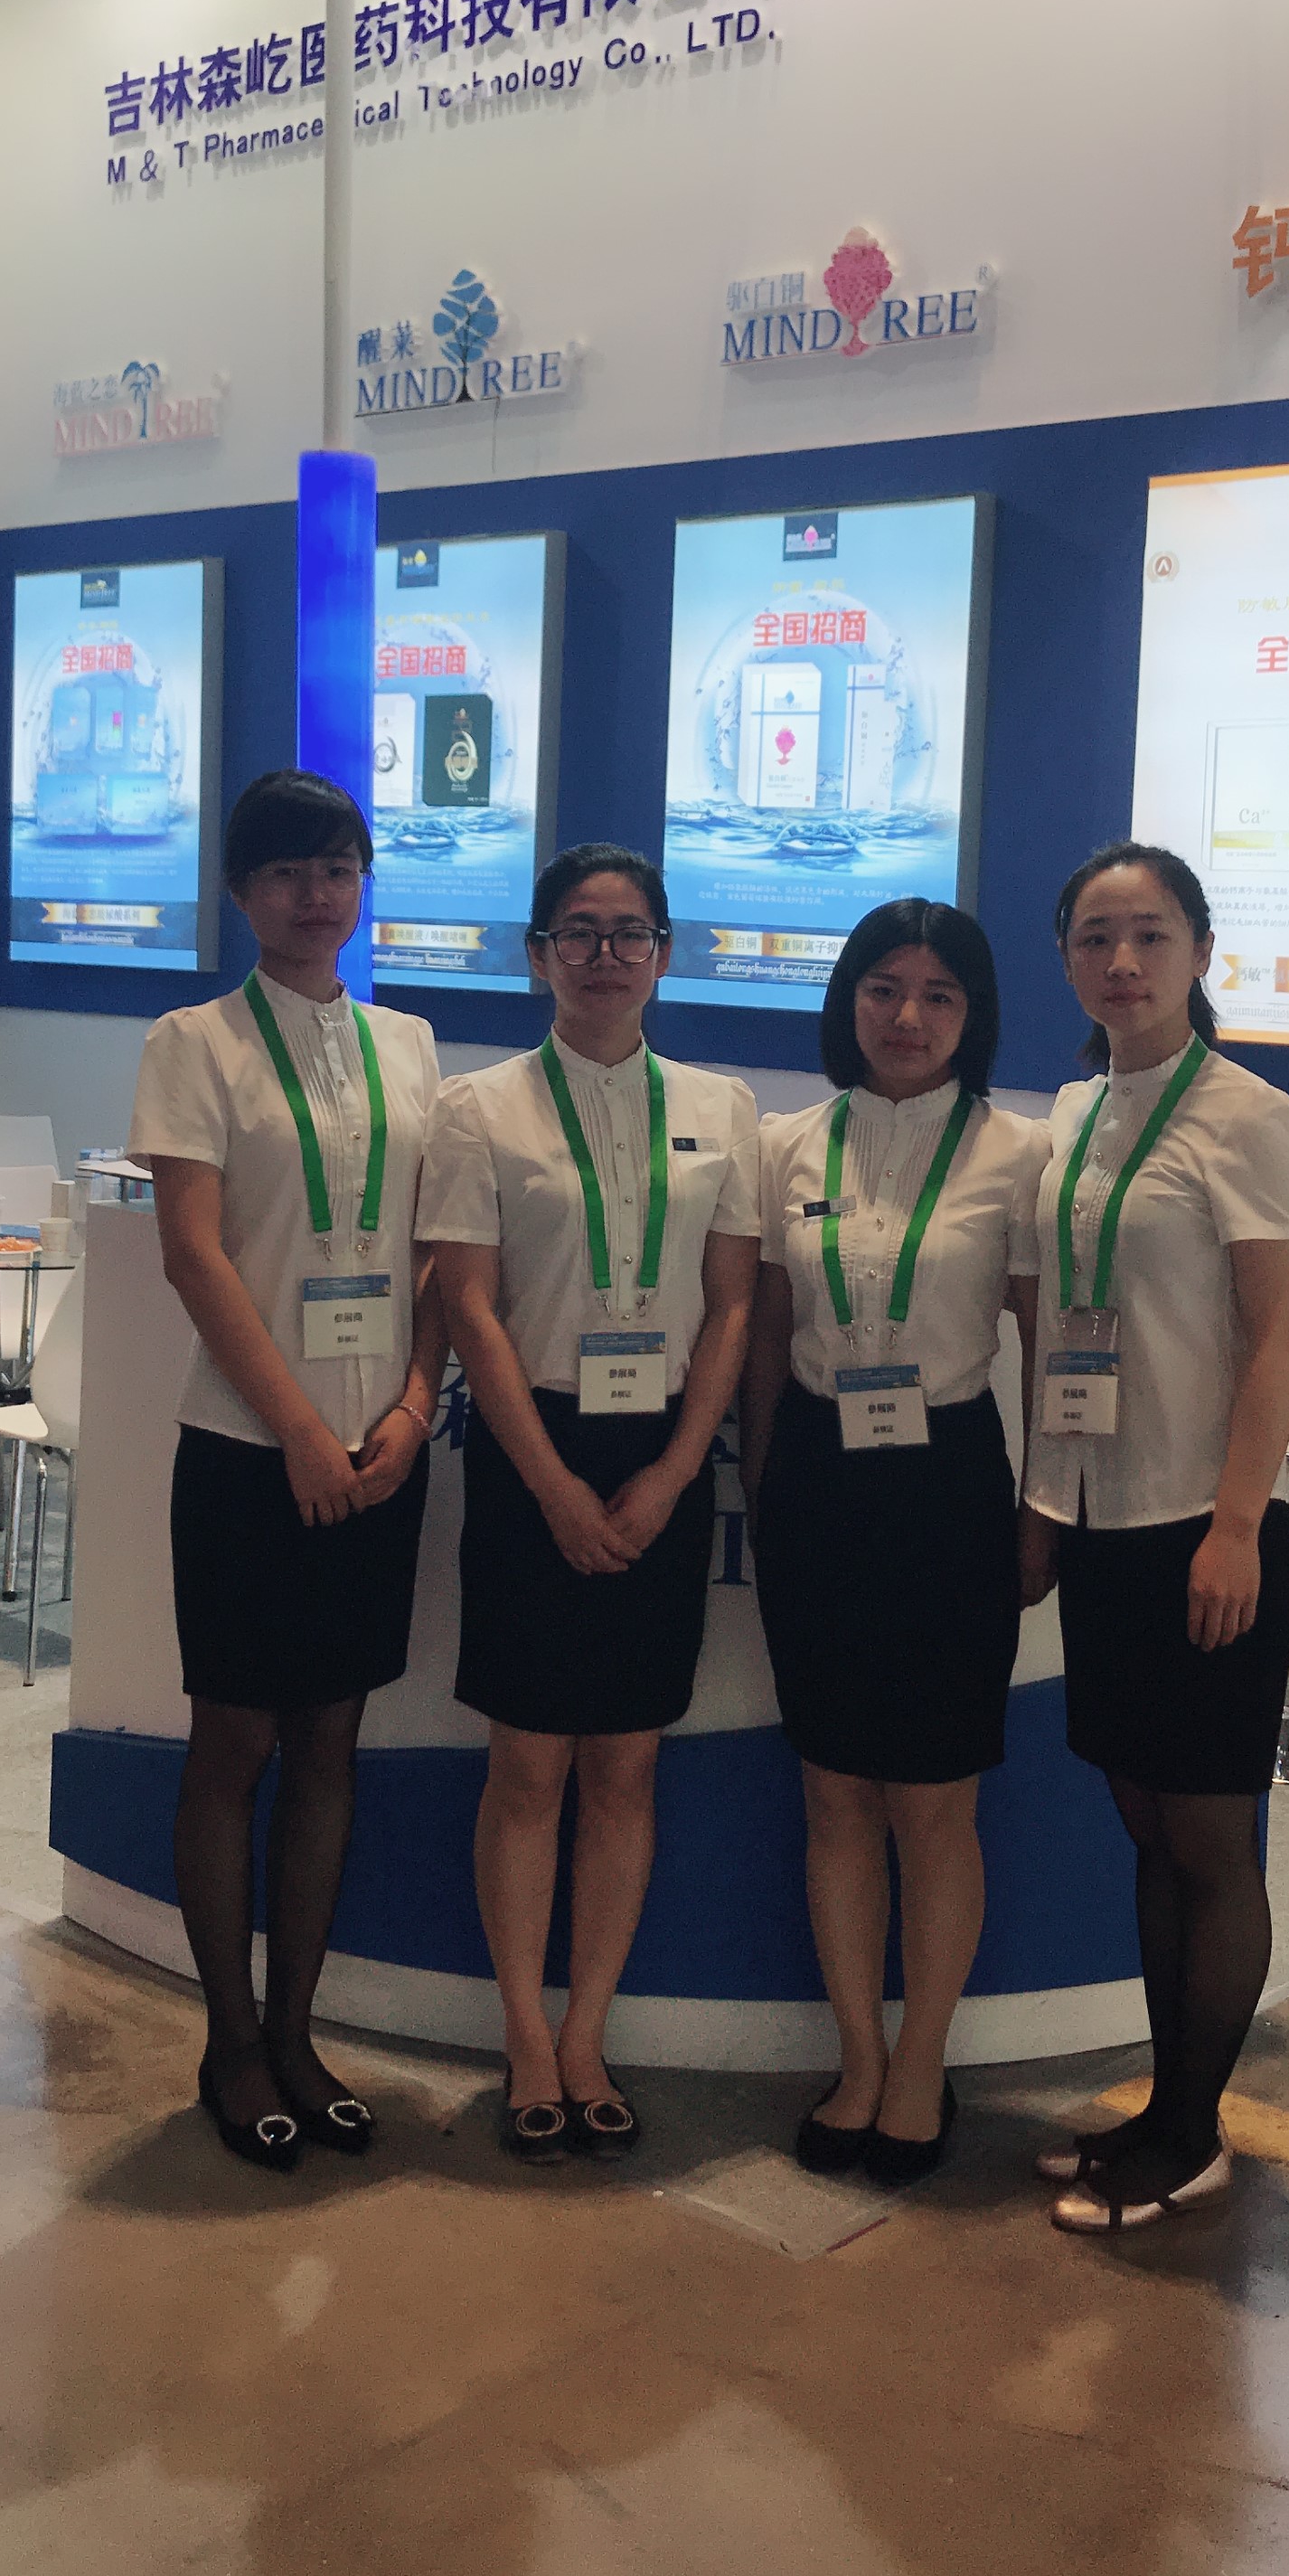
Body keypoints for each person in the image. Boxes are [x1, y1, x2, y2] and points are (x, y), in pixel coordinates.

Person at [420, 844, 759, 2161]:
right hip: (533, 1447)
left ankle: (587, 2034)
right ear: (538, 955)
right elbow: (469, 1305)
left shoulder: (724, 1107)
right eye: (578, 932)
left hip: (664, 1450)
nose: (605, 955)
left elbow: (732, 1307)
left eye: (629, 933)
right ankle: (523, 2033)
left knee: (626, 1767)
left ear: (664, 954)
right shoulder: (478, 1108)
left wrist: (676, 1473)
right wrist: (554, 1485)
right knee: (526, 1768)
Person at [130, 769, 447, 2172]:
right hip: (249, 1449)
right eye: (287, 871)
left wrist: (416, 1404)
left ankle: (299, 2033)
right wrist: (303, 1433)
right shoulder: (192, 1043)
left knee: (332, 1742)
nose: (318, 894)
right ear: (239, 893)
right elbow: (193, 1255)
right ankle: (230, 2041)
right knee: (236, 1745)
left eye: (339, 867)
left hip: (381, 1452)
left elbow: (438, 1253)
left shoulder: (412, 1045)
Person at [1021, 840, 1289, 2233]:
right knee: (1146, 1825)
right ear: (1067, 959)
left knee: (1209, 1838)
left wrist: (1239, 1525)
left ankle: (1193, 2132)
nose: (1123, 961)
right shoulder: (1075, 1109)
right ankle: (1164, 2108)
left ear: (1202, 950)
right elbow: (1062, 1328)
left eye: (1149, 934)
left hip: (1209, 1529)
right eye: (1095, 937)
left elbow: (1277, 1340)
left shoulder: (1250, 1115)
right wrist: (1048, 1509)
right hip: (1107, 1523)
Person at [740, 901, 1046, 2185]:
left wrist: (1043, 1511)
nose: (908, 1018)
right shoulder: (785, 1144)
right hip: (818, 1482)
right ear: (848, 1000)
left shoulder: (1020, 1154)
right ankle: (857, 2059)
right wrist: (764, 1489)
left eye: (938, 995)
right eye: (883, 989)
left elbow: (1052, 1342)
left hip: (949, 1482)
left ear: (973, 1014)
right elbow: (766, 1337)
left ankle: (923, 2065)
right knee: (833, 1795)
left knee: (934, 1802)